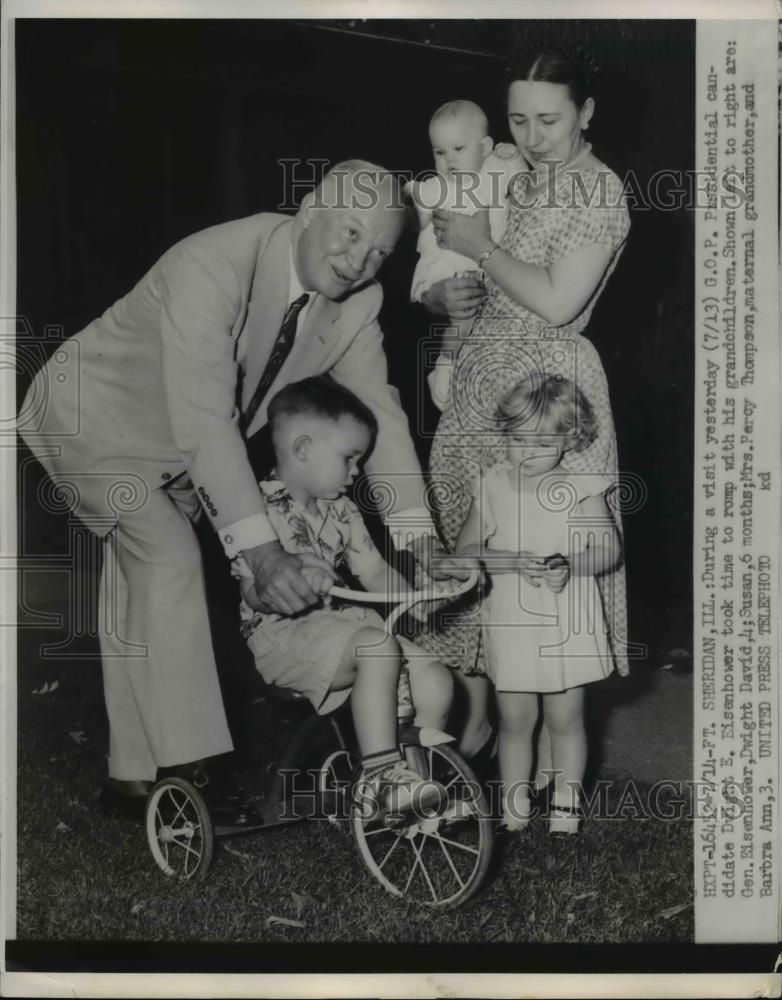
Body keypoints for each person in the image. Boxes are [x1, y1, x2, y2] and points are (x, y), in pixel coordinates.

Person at [19, 160, 448, 819]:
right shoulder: (215, 259)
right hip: (92, 416)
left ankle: (132, 779)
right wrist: (263, 553)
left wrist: (421, 541)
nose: (359, 260)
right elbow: (205, 417)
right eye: (351, 232)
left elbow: (381, 417)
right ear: (308, 210)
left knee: (146, 583)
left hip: (182, 441)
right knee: (167, 555)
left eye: (380, 251)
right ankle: (191, 772)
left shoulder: (359, 304)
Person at [417, 46, 632, 764]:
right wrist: (439, 306)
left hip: (545, 392)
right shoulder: (510, 173)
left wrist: (480, 247)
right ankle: (488, 725)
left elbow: (557, 300)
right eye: (519, 119)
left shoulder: (595, 190)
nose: (533, 136)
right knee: (478, 550)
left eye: (549, 120)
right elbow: (449, 265)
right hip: (479, 381)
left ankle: (553, 758)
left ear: (586, 113)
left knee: (550, 555)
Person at [233, 376, 453, 808]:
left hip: (344, 629)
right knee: (378, 647)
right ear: (302, 450)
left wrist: (417, 597)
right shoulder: (256, 514)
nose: (356, 472)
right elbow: (253, 593)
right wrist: (291, 583)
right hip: (283, 637)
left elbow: (372, 569)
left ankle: (419, 783)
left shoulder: (341, 509)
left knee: (435, 679)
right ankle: (381, 775)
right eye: (349, 459)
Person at [452, 374, 620, 834]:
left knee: (565, 718)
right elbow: (466, 550)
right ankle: (515, 808)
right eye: (518, 439)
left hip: (566, 616)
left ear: (569, 439)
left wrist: (572, 563)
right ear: (504, 435)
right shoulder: (491, 484)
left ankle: (566, 808)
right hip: (512, 619)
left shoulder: (582, 486)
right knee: (514, 720)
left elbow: (608, 549)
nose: (527, 451)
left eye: (543, 441)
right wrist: (506, 559)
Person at [406, 100, 523, 411]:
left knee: (486, 326)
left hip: (490, 266)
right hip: (447, 267)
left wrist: (513, 155)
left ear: (484, 147)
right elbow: (412, 216)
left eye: (458, 148)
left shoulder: (496, 169)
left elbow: (522, 180)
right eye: (439, 152)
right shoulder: (434, 187)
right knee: (463, 317)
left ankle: (467, 373)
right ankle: (445, 367)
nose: (449, 160)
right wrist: (405, 200)